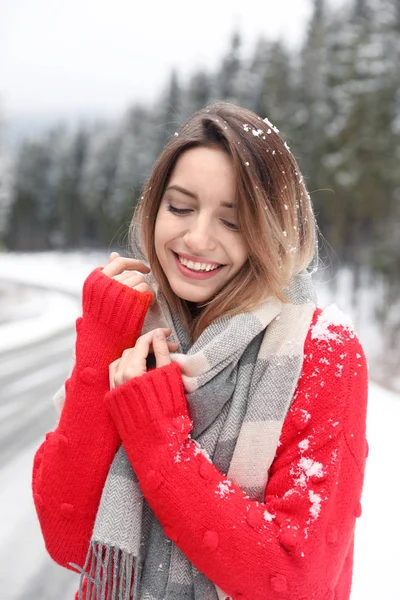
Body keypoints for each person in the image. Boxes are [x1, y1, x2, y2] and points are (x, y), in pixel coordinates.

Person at [32, 101, 368, 600]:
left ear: (273, 230)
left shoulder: (323, 353)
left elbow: (296, 581)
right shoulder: (134, 331)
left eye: (232, 222)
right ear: (154, 207)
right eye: (180, 207)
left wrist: (159, 441)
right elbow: (69, 541)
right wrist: (100, 343)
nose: (196, 238)